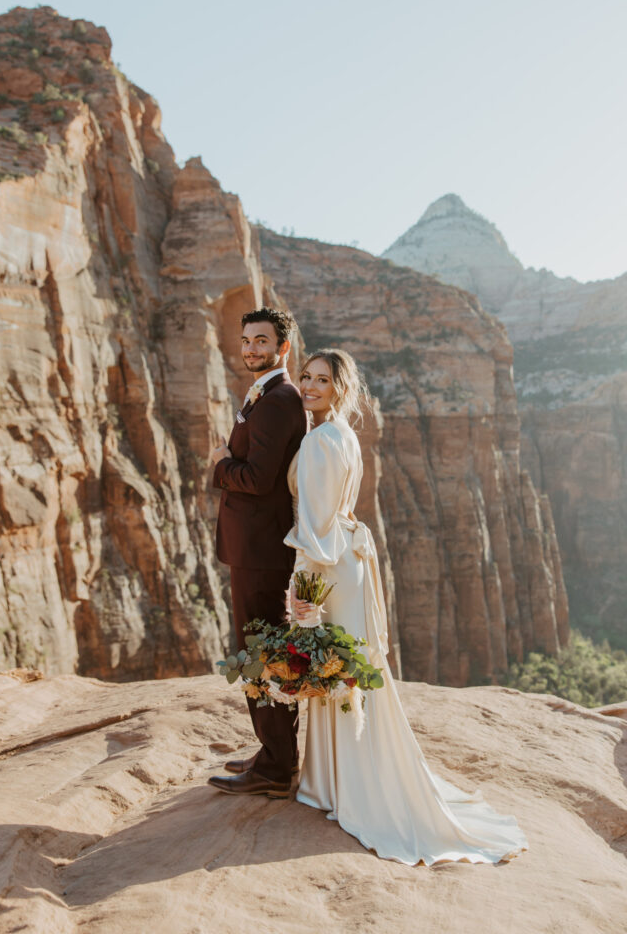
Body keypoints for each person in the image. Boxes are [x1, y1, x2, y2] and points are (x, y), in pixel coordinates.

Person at [285, 348, 529, 865]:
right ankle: (338, 780)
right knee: (347, 670)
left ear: (340, 388)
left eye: (321, 379)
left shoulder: (320, 440)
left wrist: (302, 586)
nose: (308, 385)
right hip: (347, 561)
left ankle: (339, 787)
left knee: (334, 670)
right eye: (304, 376)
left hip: (329, 567)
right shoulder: (344, 435)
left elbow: (316, 523)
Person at [207, 306, 307, 799]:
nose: (251, 348)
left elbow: (257, 478)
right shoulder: (268, 394)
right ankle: (273, 753)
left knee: (262, 652)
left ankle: (275, 767)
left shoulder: (276, 399)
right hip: (256, 547)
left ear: (282, 347)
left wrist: (222, 465)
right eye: (247, 340)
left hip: (261, 550)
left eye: (262, 341)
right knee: (261, 650)